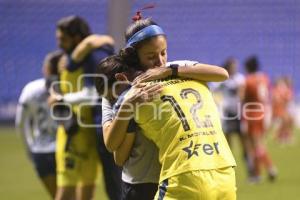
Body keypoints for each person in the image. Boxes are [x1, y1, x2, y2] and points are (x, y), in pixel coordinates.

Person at [95, 17, 237, 200]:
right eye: (151, 57)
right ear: (133, 56)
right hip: (213, 168)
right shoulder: (127, 90)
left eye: (164, 53)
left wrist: (171, 71)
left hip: (180, 173)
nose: (160, 61)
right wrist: (125, 108)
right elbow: (113, 147)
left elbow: (222, 74)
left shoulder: (171, 70)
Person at [50, 15, 120, 200]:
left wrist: (61, 99)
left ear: (76, 37)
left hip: (95, 130)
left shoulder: (92, 55)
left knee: (107, 186)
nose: (59, 43)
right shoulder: (67, 58)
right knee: (71, 185)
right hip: (73, 132)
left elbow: (95, 91)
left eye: (62, 39)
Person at [15, 50, 63, 198]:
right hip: (66, 150)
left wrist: (29, 149)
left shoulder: (30, 89)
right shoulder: (70, 88)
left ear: (45, 69)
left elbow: (20, 124)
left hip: (40, 151)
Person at [242, 56, 277, 183]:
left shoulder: (248, 80)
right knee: (259, 143)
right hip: (263, 112)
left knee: (254, 145)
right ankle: (259, 173)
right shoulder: (264, 78)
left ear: (248, 67)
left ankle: (269, 168)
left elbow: (242, 98)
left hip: (251, 113)